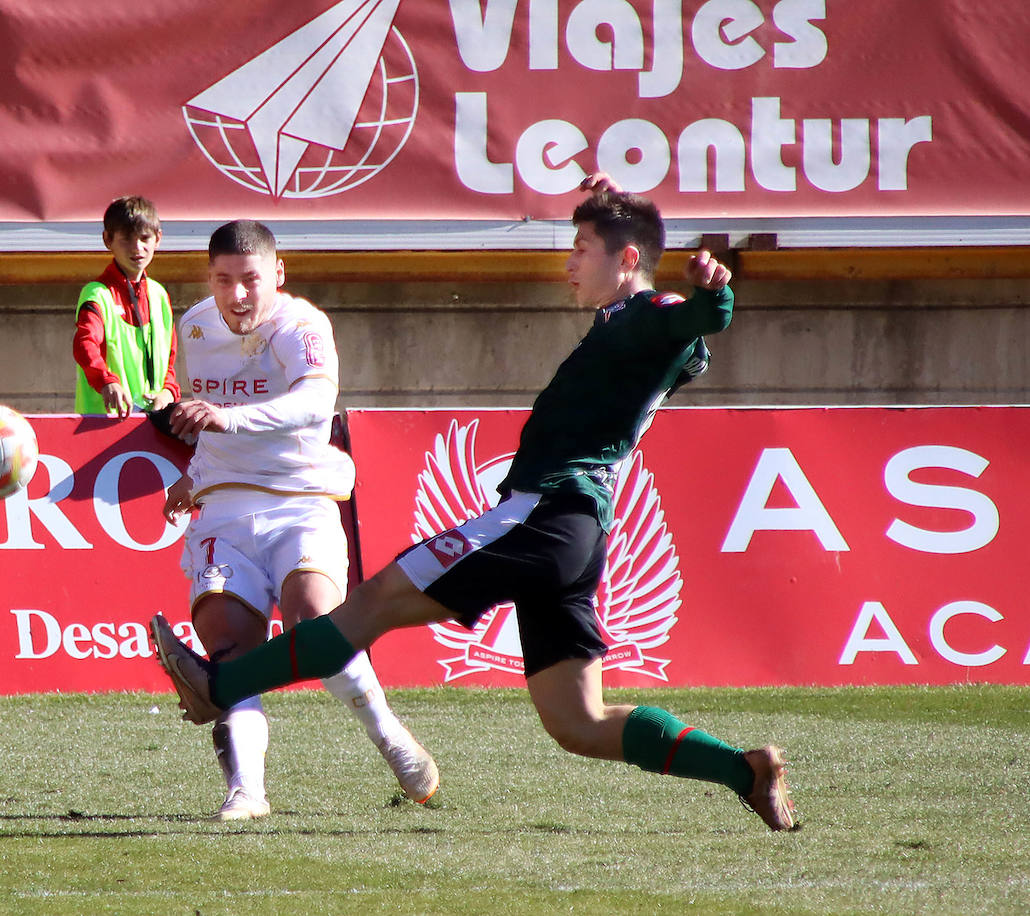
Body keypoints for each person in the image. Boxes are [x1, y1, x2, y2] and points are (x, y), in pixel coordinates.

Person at [151, 177, 801, 832]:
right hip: (576, 535)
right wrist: (617, 208)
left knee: (371, 603)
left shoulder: (646, 314)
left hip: (540, 515)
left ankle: (219, 687)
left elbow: (696, 317)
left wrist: (714, 292)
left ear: (625, 259)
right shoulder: (627, 327)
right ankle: (743, 771)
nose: (570, 261)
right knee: (578, 723)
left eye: (582, 247)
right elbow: (685, 343)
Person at [158, 219, 440, 821]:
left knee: (315, 622)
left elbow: (316, 400)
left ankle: (386, 731)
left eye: (250, 280)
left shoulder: (301, 325)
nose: (236, 295)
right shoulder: (195, 325)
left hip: (300, 501)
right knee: (231, 650)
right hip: (225, 512)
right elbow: (211, 430)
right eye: (222, 280)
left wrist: (229, 419)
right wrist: (197, 475)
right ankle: (247, 792)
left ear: (277, 275)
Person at [73, 196, 179, 418]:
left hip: (151, 424)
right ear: (107, 240)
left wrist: (168, 392)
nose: (137, 248)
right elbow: (85, 344)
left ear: (158, 239)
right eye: (126, 240)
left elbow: (169, 360)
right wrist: (106, 382)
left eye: (144, 238)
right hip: (102, 423)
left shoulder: (159, 295)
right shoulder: (97, 293)